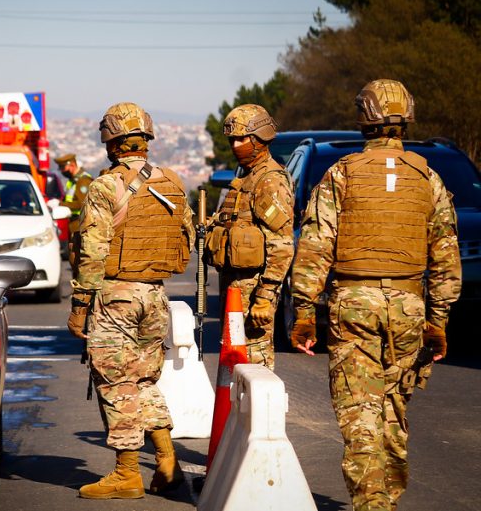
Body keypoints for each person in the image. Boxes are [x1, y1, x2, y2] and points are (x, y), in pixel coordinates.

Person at [290, 79, 462, 511]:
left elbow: (315, 247)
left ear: (363, 119)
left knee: (359, 415)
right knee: (392, 411)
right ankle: (387, 498)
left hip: (354, 305)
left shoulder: (341, 174)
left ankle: (373, 503)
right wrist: (438, 320)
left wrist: (304, 313)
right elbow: (446, 255)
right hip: (409, 307)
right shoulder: (428, 178)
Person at [67, 102, 195, 500]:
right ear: (146, 139)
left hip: (116, 296)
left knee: (117, 382)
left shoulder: (106, 187)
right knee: (143, 380)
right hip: (155, 294)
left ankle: (126, 474)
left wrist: (80, 306)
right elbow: (188, 237)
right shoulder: (171, 181)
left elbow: (93, 249)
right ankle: (167, 462)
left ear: (111, 142)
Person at [204, 104, 294, 370]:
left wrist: (265, 296)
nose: (235, 146)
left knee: (254, 368)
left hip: (254, 292)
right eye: (232, 140)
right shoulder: (245, 179)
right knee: (235, 363)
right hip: (234, 289)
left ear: (260, 138)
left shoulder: (269, 181)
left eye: (241, 139)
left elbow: (281, 245)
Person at [54, 153, 93, 238]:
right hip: (73, 223)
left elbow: (82, 203)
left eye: (63, 168)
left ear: (72, 165)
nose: (62, 171)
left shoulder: (83, 181)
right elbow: (69, 199)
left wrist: (60, 204)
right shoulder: (72, 181)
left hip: (81, 223)